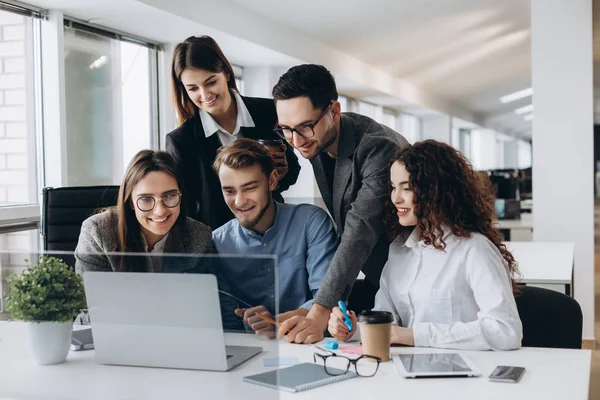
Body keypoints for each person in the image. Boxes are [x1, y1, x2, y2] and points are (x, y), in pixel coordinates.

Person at [328, 140, 523, 350]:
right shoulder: (399, 250)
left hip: (468, 371)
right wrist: (354, 329)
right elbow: (390, 326)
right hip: (411, 370)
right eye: (393, 188)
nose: (396, 198)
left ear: (436, 191)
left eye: (407, 188)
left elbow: (505, 332)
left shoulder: (474, 249)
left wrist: (414, 336)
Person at [271, 64, 409, 343]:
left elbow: (359, 230)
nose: (296, 141)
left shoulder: (378, 148)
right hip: (379, 279)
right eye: (286, 129)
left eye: (305, 127)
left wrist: (319, 311)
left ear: (334, 111)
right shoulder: (319, 141)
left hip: (409, 276)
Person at [166, 35, 301, 230]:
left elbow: (292, 171)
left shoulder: (269, 112)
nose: (204, 95)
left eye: (211, 82)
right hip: (219, 244)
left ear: (227, 73)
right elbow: (186, 207)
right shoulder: (181, 141)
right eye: (193, 88)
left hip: (272, 230)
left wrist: (279, 175)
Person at [212, 138, 338, 334]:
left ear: (272, 180)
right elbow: (228, 325)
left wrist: (277, 321)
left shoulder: (311, 223)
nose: (239, 201)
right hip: (251, 349)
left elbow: (328, 299)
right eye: (229, 191)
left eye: (250, 188)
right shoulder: (217, 243)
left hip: (313, 344)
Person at [75, 150, 212, 274]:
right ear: (130, 202)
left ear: (180, 195)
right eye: (146, 199)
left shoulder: (199, 236)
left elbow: (198, 297)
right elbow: (89, 297)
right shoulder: (97, 232)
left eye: (169, 196)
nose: (160, 211)